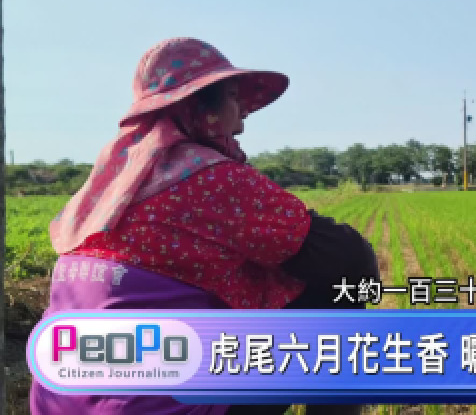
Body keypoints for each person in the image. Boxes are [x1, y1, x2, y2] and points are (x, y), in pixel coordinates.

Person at [29, 37, 379, 415]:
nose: (242, 121)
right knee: (336, 297)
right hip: (151, 405)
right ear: (201, 106)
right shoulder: (210, 177)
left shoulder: (113, 178)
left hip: (60, 401)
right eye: (234, 99)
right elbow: (348, 259)